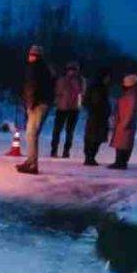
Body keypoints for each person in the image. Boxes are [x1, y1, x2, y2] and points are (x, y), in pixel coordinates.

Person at [16, 44, 54, 175]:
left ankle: (32, 164)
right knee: (31, 134)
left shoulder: (34, 68)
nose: (29, 56)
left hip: (38, 104)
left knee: (31, 134)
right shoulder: (44, 68)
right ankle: (30, 161)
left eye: (31, 54)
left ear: (34, 55)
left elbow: (32, 86)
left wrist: (30, 104)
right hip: (42, 103)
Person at [50, 61, 85, 158]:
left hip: (72, 109)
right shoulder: (62, 80)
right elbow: (57, 92)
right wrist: (57, 102)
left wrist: (78, 106)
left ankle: (66, 151)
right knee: (58, 130)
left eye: (74, 70)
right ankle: (54, 150)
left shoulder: (80, 81)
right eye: (70, 69)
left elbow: (81, 95)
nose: (72, 72)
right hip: (62, 108)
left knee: (69, 131)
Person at [109, 74, 137, 170]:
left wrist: (125, 123)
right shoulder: (129, 95)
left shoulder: (131, 96)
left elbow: (130, 111)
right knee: (121, 144)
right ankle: (119, 162)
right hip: (122, 122)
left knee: (123, 144)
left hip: (125, 123)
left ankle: (121, 162)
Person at [82, 68, 112, 166]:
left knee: (93, 137)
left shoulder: (97, 87)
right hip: (97, 116)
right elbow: (94, 102)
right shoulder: (99, 88)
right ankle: (90, 157)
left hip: (96, 115)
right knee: (94, 137)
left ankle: (90, 157)